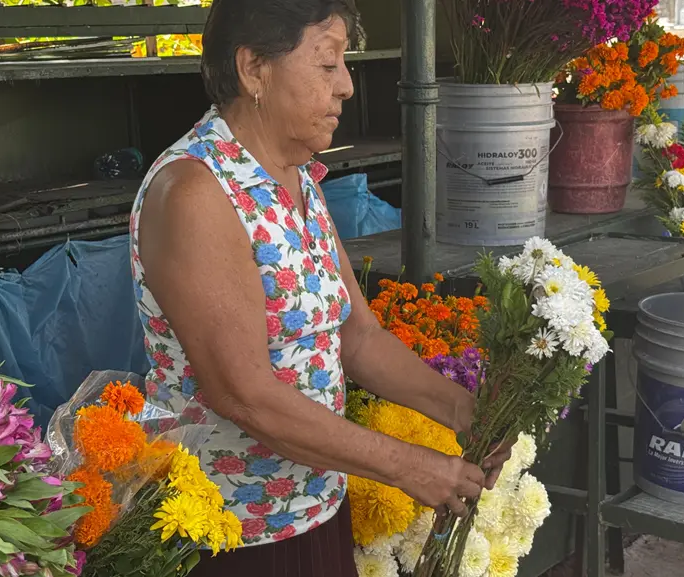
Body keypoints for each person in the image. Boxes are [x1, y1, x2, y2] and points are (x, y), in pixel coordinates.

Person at [127, 1, 512, 575]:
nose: (348, 87)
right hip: (229, 535)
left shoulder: (297, 174)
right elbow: (244, 394)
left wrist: (462, 409)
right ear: (254, 68)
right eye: (327, 65)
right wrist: (407, 465)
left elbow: (358, 338)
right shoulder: (196, 191)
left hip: (315, 510)